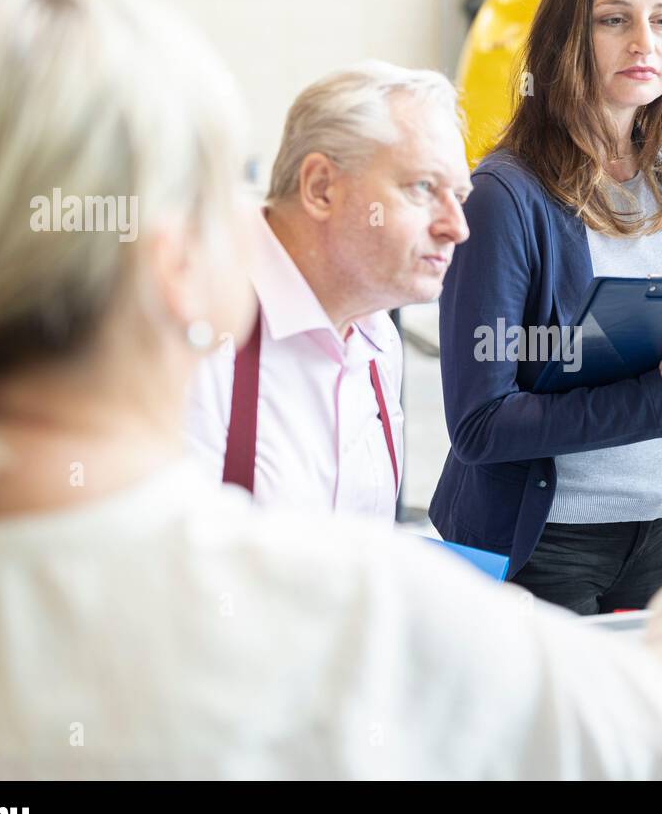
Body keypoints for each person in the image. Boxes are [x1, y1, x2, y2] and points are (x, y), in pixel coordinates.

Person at [0, 0, 662, 780]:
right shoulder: (328, 607)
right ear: (176, 261)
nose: (457, 227)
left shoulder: (370, 347)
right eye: (225, 191)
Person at [430, 0, 662, 615]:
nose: (644, 43)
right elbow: (481, 425)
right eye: (614, 20)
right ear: (565, 39)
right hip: (543, 545)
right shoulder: (504, 197)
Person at [186, 63, 471, 516]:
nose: (457, 227)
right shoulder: (196, 332)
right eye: (423, 188)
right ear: (321, 188)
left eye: (460, 196)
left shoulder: (378, 340)